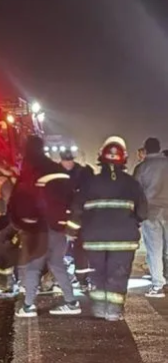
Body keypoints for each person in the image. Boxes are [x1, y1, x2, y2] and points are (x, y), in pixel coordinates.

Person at [66, 136, 148, 320]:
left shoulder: (89, 183)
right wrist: (132, 222)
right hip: (124, 240)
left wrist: (72, 230)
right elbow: (143, 212)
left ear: (100, 157)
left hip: (94, 239)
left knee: (98, 272)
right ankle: (114, 311)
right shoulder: (132, 183)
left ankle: (100, 307)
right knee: (118, 274)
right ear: (124, 158)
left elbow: (77, 208)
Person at [9, 136, 80, 317]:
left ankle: (28, 306)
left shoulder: (31, 171)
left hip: (39, 227)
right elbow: (72, 198)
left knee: (33, 266)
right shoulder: (58, 170)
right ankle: (71, 302)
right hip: (59, 227)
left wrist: (19, 221)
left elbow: (20, 199)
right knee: (57, 264)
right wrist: (66, 222)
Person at [134, 137, 168, 298]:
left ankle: (158, 285)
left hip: (151, 212)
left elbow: (136, 192)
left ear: (146, 150)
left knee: (154, 250)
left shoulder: (142, 168)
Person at [59, 150, 95, 291]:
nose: (68, 164)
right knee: (65, 248)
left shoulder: (82, 172)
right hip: (64, 215)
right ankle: (70, 276)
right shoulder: (57, 172)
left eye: (69, 161)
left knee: (80, 249)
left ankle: (82, 279)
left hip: (78, 216)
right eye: (65, 161)